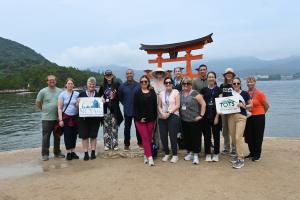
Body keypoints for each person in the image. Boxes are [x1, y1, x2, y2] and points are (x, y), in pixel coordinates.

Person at [36, 75, 64, 161]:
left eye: (53, 80)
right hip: (46, 118)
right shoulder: (42, 91)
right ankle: (45, 154)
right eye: (50, 80)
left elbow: (63, 102)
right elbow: (38, 103)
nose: (52, 81)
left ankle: (57, 152)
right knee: (46, 137)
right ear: (47, 82)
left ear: (56, 81)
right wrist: (44, 110)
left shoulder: (60, 91)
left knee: (57, 136)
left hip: (57, 118)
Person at [227, 77, 252, 169]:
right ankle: (237, 155)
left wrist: (244, 105)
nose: (236, 85)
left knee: (238, 137)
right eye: (234, 83)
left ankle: (240, 159)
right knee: (233, 138)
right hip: (230, 117)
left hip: (241, 117)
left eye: (238, 83)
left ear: (240, 84)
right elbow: (224, 104)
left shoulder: (245, 93)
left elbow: (251, 106)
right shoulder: (229, 94)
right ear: (232, 84)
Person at [180, 77, 206, 165]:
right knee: (187, 138)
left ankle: (196, 155)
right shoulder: (180, 93)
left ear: (191, 85)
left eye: (188, 83)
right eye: (184, 84)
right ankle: (190, 152)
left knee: (196, 138)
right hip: (184, 120)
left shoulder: (195, 93)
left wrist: (201, 115)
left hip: (194, 120)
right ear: (182, 85)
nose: (186, 85)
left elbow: (203, 104)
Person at [134, 75, 157, 166]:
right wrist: (139, 118)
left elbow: (155, 105)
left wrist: (155, 117)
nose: (144, 83)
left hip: (151, 119)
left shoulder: (152, 91)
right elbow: (135, 107)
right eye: (142, 82)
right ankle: (150, 157)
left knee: (149, 138)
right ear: (140, 83)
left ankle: (145, 155)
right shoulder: (137, 93)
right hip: (140, 120)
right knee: (145, 138)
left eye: (145, 81)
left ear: (148, 82)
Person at [77, 77, 103, 161]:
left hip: (95, 119)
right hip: (84, 120)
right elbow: (77, 106)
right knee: (84, 137)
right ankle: (85, 153)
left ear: (95, 85)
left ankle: (92, 152)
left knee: (93, 136)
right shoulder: (81, 94)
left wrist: (103, 102)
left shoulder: (98, 95)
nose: (91, 85)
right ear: (87, 84)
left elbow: (101, 106)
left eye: (93, 84)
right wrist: (77, 103)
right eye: (90, 84)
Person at [244, 76, 269, 161]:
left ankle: (257, 155)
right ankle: (252, 153)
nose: (250, 83)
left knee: (258, 136)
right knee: (249, 136)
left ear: (255, 83)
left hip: (259, 117)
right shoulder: (246, 93)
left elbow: (267, 106)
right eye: (248, 82)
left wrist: (261, 114)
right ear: (246, 83)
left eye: (252, 82)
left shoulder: (259, 93)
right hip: (249, 117)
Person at [200, 72, 222, 162]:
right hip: (206, 116)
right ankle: (208, 153)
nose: (211, 78)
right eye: (209, 77)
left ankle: (216, 153)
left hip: (216, 115)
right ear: (207, 79)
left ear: (215, 78)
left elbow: (220, 104)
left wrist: (217, 116)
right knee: (207, 136)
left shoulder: (219, 90)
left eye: (213, 77)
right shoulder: (203, 90)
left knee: (216, 135)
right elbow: (200, 102)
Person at [158, 77, 181, 163]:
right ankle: (167, 153)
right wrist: (162, 113)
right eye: (166, 83)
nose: (168, 84)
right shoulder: (161, 93)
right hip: (163, 116)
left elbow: (178, 105)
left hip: (173, 115)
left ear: (172, 83)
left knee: (172, 136)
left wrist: (169, 112)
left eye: (169, 82)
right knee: (163, 136)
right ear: (164, 84)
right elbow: (159, 105)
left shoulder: (176, 92)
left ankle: (175, 155)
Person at [118, 69, 142, 151]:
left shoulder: (139, 85)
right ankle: (126, 144)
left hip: (137, 110)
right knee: (127, 128)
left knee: (138, 127)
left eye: (130, 73)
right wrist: (125, 103)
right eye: (127, 73)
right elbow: (120, 98)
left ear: (133, 74)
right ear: (126, 75)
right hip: (127, 110)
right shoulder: (122, 86)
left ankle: (140, 143)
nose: (129, 75)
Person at [57, 78, 80, 160]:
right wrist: (60, 120)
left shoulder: (77, 94)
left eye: (71, 83)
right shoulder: (62, 94)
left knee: (74, 135)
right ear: (66, 85)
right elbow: (59, 108)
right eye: (68, 83)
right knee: (67, 135)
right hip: (66, 117)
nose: (70, 85)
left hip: (75, 117)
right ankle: (68, 153)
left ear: (73, 85)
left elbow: (79, 105)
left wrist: (78, 103)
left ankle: (73, 151)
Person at [103, 70, 123, 151]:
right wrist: (102, 99)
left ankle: (115, 144)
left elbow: (120, 96)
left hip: (115, 109)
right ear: (105, 76)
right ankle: (107, 144)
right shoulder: (102, 86)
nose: (108, 76)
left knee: (114, 128)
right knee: (106, 128)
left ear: (112, 75)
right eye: (107, 75)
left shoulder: (117, 85)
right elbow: (100, 97)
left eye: (110, 74)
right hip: (105, 110)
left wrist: (115, 96)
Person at [220, 68, 236, 155]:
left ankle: (234, 148)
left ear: (233, 75)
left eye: (230, 73)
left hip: (233, 111)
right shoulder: (222, 85)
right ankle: (226, 147)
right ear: (225, 75)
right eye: (227, 73)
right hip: (224, 111)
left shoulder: (236, 84)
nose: (229, 75)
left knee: (233, 129)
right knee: (225, 130)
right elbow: (220, 96)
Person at [151, 68, 167, 149]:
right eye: (158, 73)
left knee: (163, 126)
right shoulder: (152, 83)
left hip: (164, 107)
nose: (159, 74)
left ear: (163, 74)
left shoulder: (166, 82)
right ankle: (156, 145)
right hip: (153, 107)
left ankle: (164, 145)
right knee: (154, 126)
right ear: (156, 74)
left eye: (161, 72)